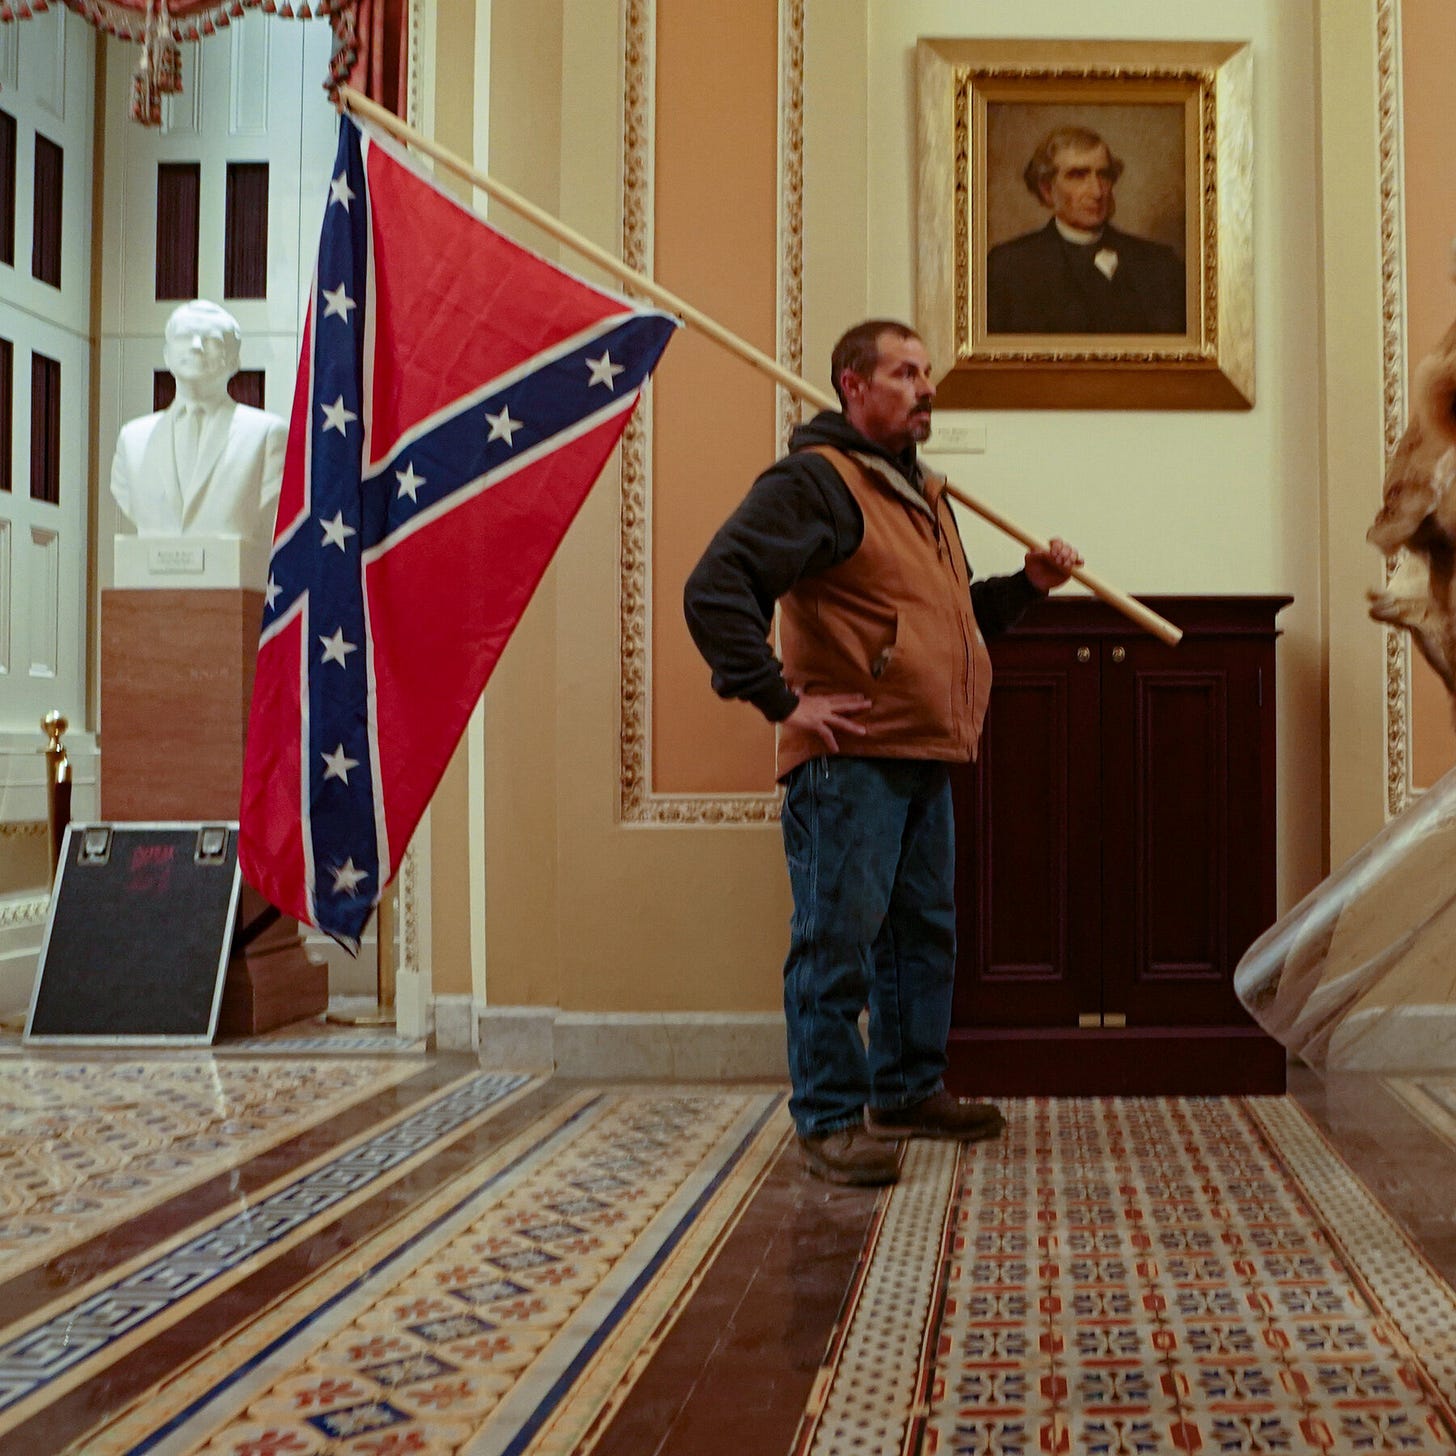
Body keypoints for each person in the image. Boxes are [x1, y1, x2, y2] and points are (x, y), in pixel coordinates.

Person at [683, 320, 1082, 1186]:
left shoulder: (919, 494)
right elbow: (715, 587)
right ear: (852, 386)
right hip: (847, 765)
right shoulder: (816, 484)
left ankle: (906, 1092)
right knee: (837, 943)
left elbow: (947, 622)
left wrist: (1029, 589)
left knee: (919, 937)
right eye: (905, 373)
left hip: (919, 753)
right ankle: (828, 1118)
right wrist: (783, 701)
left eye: (928, 373)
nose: (926, 387)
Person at [110, 299, 287, 542]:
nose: (196, 346)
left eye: (212, 340)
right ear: (167, 356)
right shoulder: (133, 439)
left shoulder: (266, 435)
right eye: (184, 336)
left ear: (235, 360)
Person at [986, 125, 1185, 335]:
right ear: (1047, 190)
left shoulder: (1161, 264)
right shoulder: (1007, 267)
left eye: (1104, 175)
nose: (1097, 192)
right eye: (1078, 175)